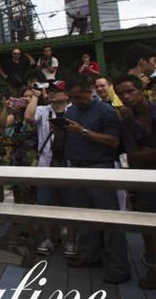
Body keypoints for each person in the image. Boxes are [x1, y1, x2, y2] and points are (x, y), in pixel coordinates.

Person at [62, 73, 129, 284]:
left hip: (100, 167)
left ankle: (118, 267)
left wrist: (82, 131)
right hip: (77, 168)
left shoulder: (106, 111)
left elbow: (113, 141)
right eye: (71, 97)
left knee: (109, 219)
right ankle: (89, 255)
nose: (75, 101)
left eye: (78, 96)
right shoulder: (71, 111)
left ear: (89, 91)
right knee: (84, 216)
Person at [24, 80, 76, 257]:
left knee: (70, 204)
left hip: (69, 164)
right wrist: (36, 97)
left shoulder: (74, 111)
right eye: (51, 90)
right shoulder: (43, 110)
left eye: (57, 90)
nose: (52, 93)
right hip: (46, 163)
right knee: (45, 203)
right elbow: (28, 117)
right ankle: (48, 238)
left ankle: (71, 241)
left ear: (67, 94)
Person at [114, 74, 156, 288]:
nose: (126, 96)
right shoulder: (127, 121)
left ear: (142, 89)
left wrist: (144, 154)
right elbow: (131, 155)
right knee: (147, 224)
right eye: (121, 94)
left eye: (130, 91)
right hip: (142, 180)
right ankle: (153, 269)